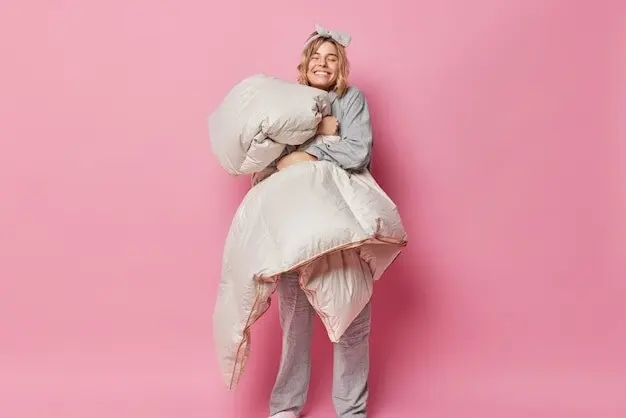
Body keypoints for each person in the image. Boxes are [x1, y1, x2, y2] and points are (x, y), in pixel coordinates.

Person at [267, 24, 374, 418]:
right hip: (297, 228)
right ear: (305, 63)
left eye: (332, 58)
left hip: (343, 226)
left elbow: (358, 153)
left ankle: (351, 410)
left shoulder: (351, 100)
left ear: (340, 65)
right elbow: (272, 163)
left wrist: (309, 152)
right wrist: (319, 136)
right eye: (316, 56)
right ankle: (285, 407)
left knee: (351, 321)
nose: (323, 64)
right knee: (294, 325)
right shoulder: (288, 103)